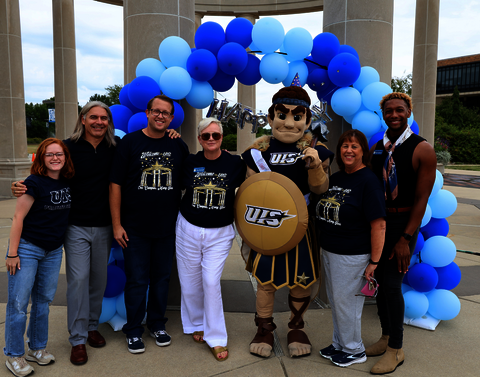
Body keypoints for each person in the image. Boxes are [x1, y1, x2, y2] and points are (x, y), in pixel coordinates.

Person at [12, 101, 119, 366]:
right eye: (93, 117)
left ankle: (92, 326)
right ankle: (78, 339)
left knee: (98, 280)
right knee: (78, 281)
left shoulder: (115, 147)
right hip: (74, 227)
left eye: (104, 118)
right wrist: (21, 185)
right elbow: (45, 172)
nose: (98, 122)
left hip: (105, 225)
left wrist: (172, 133)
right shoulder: (67, 146)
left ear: (109, 121)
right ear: (83, 119)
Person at [240, 86, 333, 358]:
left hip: (300, 227)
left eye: (297, 117)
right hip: (265, 225)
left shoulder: (317, 150)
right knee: (265, 279)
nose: (289, 123)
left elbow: (320, 190)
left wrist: (316, 166)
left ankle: (296, 326)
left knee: (301, 280)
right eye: (282, 115)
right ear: (270, 118)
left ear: (307, 120)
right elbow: (248, 191)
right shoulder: (257, 151)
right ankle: (264, 328)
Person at [110, 94, 189, 354]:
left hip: (167, 228)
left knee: (162, 279)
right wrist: (117, 224)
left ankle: (157, 324)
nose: (161, 116)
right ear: (147, 112)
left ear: (171, 117)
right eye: (156, 111)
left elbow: (188, 183)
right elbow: (116, 185)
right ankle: (133, 330)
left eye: (166, 113)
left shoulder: (178, 146)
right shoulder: (130, 143)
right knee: (136, 280)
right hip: (134, 228)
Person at [367, 92, 436, 375]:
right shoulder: (378, 149)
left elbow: (421, 200)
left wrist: (406, 238)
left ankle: (397, 349)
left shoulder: (423, 149)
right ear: (382, 114)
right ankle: (385, 337)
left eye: (399, 110)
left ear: (409, 111)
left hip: (403, 226)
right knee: (381, 285)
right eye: (388, 111)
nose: (394, 115)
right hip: (379, 224)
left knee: (393, 285)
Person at [175, 118, 246, 362]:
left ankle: (216, 338)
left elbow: (258, 177)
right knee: (189, 280)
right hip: (188, 228)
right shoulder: (190, 162)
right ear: (199, 139)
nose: (211, 140)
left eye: (215, 135)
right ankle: (196, 322)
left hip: (219, 232)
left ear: (222, 137)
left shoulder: (235, 163)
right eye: (206, 136)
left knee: (210, 281)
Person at [316, 129, 386, 368]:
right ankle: (339, 344)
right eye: (345, 146)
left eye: (354, 146)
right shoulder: (336, 178)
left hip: (352, 254)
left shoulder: (369, 181)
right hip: (330, 250)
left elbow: (379, 225)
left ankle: (354, 349)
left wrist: (374, 262)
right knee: (337, 301)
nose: (348, 150)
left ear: (363, 152)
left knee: (347, 304)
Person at [4, 138, 74, 377]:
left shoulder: (67, 181)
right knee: (18, 304)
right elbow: (18, 218)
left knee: (43, 301)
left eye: (59, 154)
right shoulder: (33, 183)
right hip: (27, 249)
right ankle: (14, 354)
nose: (55, 158)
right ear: (41, 158)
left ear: (65, 157)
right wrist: (13, 253)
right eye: (49, 154)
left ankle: (37, 348)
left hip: (53, 251)